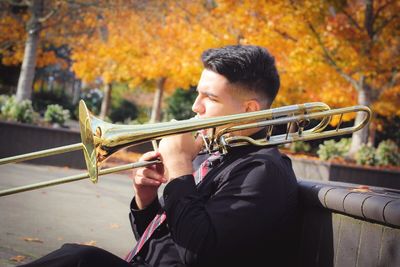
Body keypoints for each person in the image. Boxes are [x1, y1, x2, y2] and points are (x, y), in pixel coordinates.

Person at [19, 45, 299, 267]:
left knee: (78, 260)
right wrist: (146, 198)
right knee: (76, 257)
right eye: (197, 94)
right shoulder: (215, 153)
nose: (195, 106)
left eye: (210, 98)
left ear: (250, 110)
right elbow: (162, 243)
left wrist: (178, 167)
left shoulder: (263, 171)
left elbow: (198, 253)